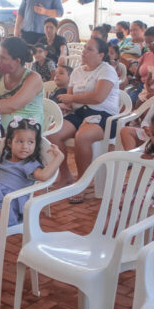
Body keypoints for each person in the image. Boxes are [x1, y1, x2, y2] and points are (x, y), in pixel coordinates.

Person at [47, 38, 120, 203]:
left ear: (101, 55)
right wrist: (66, 104)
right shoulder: (78, 71)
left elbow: (98, 97)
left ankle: (82, 183)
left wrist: (71, 97)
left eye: (89, 49)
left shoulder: (107, 70)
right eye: (84, 48)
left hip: (104, 116)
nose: (84, 52)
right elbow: (71, 100)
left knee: (83, 137)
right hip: (80, 113)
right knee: (53, 133)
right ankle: (65, 175)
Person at [0, 37, 44, 130]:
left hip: (27, 130)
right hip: (2, 124)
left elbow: (13, 105)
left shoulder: (33, 78)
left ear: (17, 61)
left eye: (3, 58)